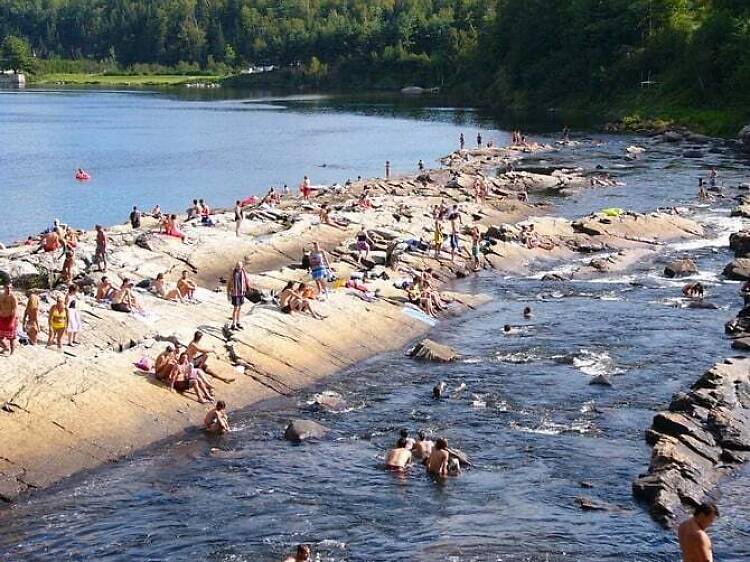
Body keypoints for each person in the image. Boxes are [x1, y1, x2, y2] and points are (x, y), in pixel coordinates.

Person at [227, 261, 250, 330]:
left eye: (239, 266)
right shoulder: (233, 273)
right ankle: (233, 323)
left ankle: (238, 322)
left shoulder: (243, 272)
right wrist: (228, 292)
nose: (238, 267)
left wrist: (248, 287)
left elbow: (246, 280)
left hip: (241, 292)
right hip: (235, 293)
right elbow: (229, 282)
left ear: (242, 266)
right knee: (235, 308)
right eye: (237, 266)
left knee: (239, 308)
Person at [0, 284, 18, 355]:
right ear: (4, 288)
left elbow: (15, 309)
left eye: (10, 288)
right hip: (1, 318)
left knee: (12, 337)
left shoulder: (13, 297)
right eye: (7, 288)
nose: (9, 289)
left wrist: (13, 320)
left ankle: (12, 353)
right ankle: (5, 347)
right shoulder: (1, 296)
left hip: (10, 319)